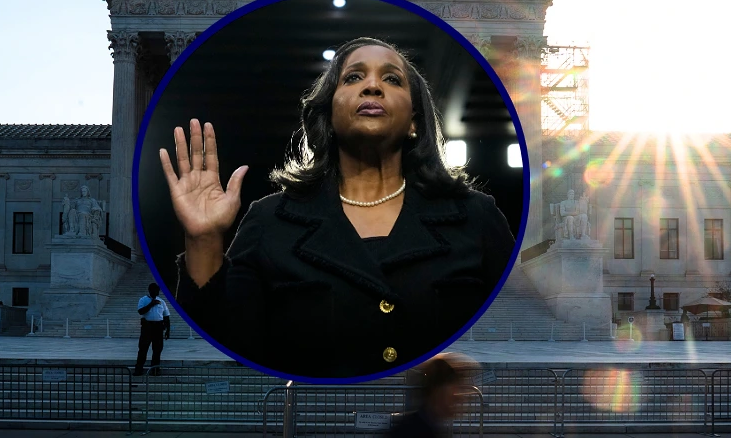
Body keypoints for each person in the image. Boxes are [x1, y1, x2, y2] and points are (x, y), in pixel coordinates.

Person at [160, 37, 515, 378]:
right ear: (328, 117)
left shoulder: (476, 217)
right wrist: (204, 241)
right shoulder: (268, 220)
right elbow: (231, 340)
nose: (372, 87)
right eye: (354, 77)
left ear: (414, 123)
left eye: (391, 79)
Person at [389, 353, 477, 438]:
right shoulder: (413, 431)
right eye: (454, 393)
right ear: (438, 392)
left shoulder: (428, 426)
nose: (459, 398)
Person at [134, 282, 171, 376]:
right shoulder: (143, 300)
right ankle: (138, 369)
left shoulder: (161, 301)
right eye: (155, 290)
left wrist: (168, 330)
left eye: (158, 290)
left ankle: (155, 370)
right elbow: (140, 311)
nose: (157, 292)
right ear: (150, 290)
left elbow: (166, 316)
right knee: (143, 348)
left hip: (158, 327)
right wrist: (151, 304)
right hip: (147, 327)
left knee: (157, 350)